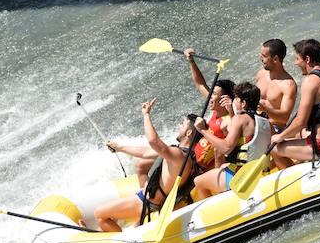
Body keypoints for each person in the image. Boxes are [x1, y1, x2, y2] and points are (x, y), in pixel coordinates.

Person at [94, 99, 196, 232]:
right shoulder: (180, 154)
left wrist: (146, 115)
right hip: (145, 196)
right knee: (111, 214)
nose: (179, 126)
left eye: (183, 125)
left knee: (99, 214)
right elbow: (146, 152)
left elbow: (153, 141)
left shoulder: (179, 156)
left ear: (188, 133)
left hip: (149, 203)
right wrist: (119, 148)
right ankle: (103, 234)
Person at [270, 39, 320, 169]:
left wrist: (279, 136)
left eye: (297, 58)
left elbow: (300, 122)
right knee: (299, 133)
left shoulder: (310, 81)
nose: (296, 63)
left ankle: (294, 179)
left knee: (274, 148)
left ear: (307, 59)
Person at [192, 82, 270, 198]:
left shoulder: (240, 119)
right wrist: (231, 112)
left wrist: (203, 130)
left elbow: (226, 148)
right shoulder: (262, 118)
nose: (234, 101)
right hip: (258, 169)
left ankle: (219, 209)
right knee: (223, 167)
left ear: (243, 103)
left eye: (236, 99)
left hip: (241, 175)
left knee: (198, 181)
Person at [255, 38, 298, 131]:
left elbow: (284, 118)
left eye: (264, 56)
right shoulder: (260, 74)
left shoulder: (288, 85)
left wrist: (265, 109)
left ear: (275, 59)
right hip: (255, 123)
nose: (260, 58)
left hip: (275, 128)